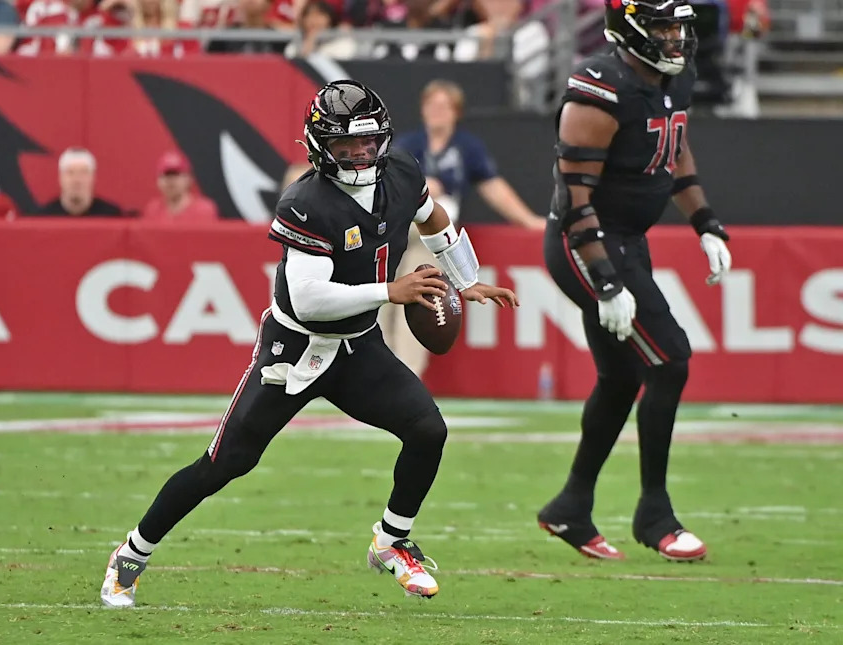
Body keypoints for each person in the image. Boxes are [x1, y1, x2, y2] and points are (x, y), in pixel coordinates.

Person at [100, 80, 519, 608]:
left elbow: (432, 217)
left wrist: (464, 277)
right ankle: (132, 554)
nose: (360, 155)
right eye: (347, 146)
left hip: (358, 345)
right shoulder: (307, 201)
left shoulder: (403, 172)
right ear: (322, 145)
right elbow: (309, 299)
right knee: (224, 463)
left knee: (427, 429)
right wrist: (391, 290)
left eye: (368, 144)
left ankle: (391, 543)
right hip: (295, 348)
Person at [537, 0, 732, 562]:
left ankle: (570, 507)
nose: (675, 38)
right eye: (663, 27)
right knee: (669, 360)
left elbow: (674, 147)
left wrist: (705, 221)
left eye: (679, 27)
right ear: (631, 30)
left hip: (625, 240)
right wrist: (605, 281)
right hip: (585, 242)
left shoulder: (674, 79)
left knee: (622, 378)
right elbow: (573, 198)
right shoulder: (599, 89)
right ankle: (654, 513)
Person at [385, 79, 544, 377]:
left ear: (456, 112)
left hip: (433, 234)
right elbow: (385, 185)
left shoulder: (466, 147)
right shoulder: (407, 145)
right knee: (384, 297)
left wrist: (527, 220)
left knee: (423, 297)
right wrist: (417, 187)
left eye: (443, 106)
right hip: (398, 229)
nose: (436, 112)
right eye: (431, 105)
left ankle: (404, 375)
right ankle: (373, 373)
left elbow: (493, 187)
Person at [33, 148, 124, 216]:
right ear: (60, 178)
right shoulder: (45, 217)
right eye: (70, 173)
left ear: (93, 178)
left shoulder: (111, 216)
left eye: (83, 173)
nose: (77, 180)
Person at [141, 151, 219, 223]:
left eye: (176, 175)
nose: (170, 181)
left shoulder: (204, 210)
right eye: (166, 175)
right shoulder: (152, 210)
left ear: (189, 179)